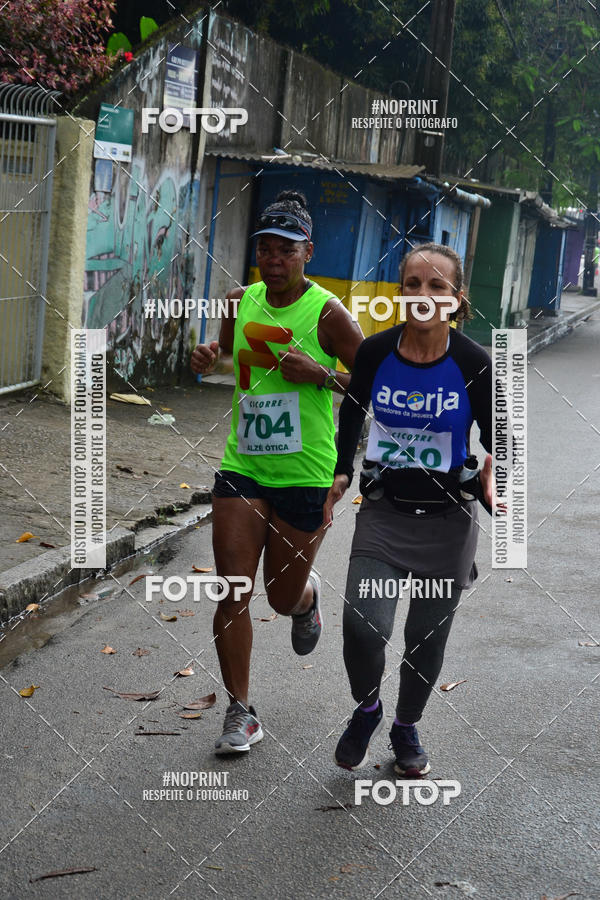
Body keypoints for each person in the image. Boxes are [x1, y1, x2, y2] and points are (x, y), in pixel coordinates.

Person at [191, 190, 363, 755]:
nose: (273, 257)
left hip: (305, 474)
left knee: (279, 596)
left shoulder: (330, 314)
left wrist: (322, 373)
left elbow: (372, 388)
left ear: (307, 252)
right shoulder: (238, 302)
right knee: (233, 589)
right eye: (265, 246)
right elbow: (221, 356)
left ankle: (305, 600)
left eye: (286, 248)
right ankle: (241, 711)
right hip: (242, 466)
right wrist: (203, 358)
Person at [324, 241, 494, 776]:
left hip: (447, 521)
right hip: (385, 513)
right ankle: (368, 708)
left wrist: (494, 473)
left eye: (436, 287)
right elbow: (352, 416)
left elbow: (502, 439)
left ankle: (405, 726)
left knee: (426, 637)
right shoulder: (375, 353)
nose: (423, 295)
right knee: (362, 625)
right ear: (401, 293)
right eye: (413, 285)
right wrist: (340, 473)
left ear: (456, 300)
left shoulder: (473, 362)